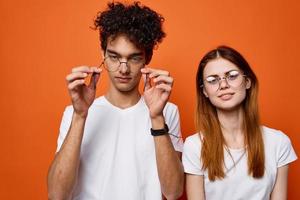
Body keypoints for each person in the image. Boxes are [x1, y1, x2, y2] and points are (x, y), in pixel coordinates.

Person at [47, 2, 184, 200]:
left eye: (134, 58)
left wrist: (156, 117)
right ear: (103, 54)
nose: (123, 69)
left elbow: (173, 192)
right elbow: (56, 194)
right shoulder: (75, 112)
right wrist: (80, 116)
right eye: (114, 56)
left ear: (147, 58)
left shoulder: (167, 112)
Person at [182, 45, 297, 200]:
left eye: (232, 75)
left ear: (247, 81)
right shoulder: (194, 146)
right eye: (212, 80)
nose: (223, 85)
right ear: (205, 92)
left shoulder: (278, 142)